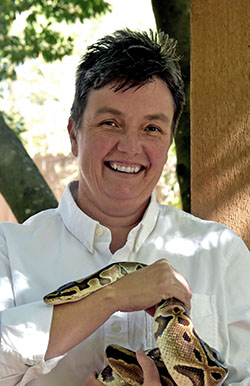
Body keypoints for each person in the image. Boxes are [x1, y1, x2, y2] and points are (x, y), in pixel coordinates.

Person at [0, 29, 249, 386]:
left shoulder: (222, 254)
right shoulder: (9, 251)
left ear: (167, 142)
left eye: (151, 128)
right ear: (74, 134)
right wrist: (111, 297)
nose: (131, 147)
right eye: (110, 123)